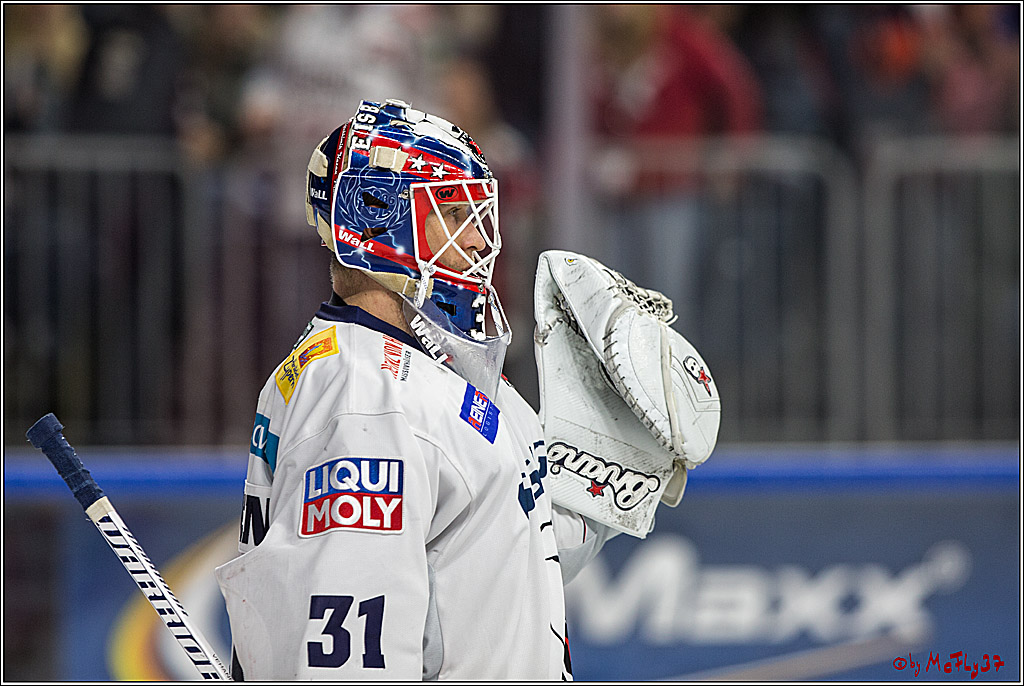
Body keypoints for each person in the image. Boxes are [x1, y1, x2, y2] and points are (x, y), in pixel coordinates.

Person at [214, 98, 617, 680]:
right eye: (452, 213)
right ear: (376, 219)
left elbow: (504, 561)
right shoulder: (365, 399)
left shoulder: (432, 370)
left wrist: (610, 486)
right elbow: (347, 663)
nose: (478, 241)